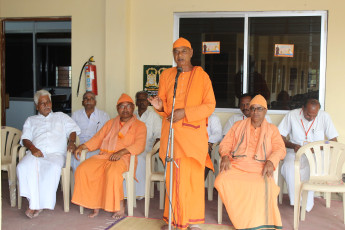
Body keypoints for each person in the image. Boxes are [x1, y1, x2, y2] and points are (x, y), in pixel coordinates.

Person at [149, 37, 216, 230]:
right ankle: (174, 221)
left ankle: (192, 222)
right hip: (172, 136)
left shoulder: (202, 76)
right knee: (174, 181)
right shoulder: (167, 75)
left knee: (192, 182)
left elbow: (210, 106)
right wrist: (159, 106)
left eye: (183, 51)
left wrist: (185, 112)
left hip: (193, 138)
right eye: (176, 52)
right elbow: (164, 107)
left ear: (191, 52)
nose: (180, 55)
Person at [214, 94, 286, 230]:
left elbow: (280, 149)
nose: (255, 112)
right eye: (253, 109)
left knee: (266, 187)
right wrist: (224, 156)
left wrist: (271, 161)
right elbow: (225, 144)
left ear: (265, 111)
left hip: (261, 168)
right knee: (221, 180)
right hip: (237, 166)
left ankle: (257, 223)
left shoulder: (272, 129)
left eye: (259, 109)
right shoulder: (238, 125)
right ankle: (240, 219)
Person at [72, 93, 147, 219]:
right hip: (105, 156)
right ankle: (94, 204)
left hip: (124, 158)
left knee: (112, 173)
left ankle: (119, 205)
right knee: (83, 169)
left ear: (133, 108)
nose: (125, 109)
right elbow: (98, 139)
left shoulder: (140, 125)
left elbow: (139, 145)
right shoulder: (110, 123)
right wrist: (82, 146)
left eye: (128, 106)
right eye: (122, 106)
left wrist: (121, 152)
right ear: (117, 109)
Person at [17, 89, 80, 219]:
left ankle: (38, 205)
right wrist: (33, 148)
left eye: (48, 102)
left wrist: (72, 142)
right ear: (36, 106)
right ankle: (33, 202)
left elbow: (73, 129)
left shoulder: (61, 116)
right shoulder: (31, 120)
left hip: (56, 154)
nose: (46, 105)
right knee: (22, 167)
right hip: (36, 153)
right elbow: (25, 138)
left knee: (52, 168)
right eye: (42, 103)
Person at [278, 98, 338, 212]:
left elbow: (333, 141)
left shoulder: (324, 116)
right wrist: (292, 145)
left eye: (314, 116)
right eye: (308, 115)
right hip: (295, 151)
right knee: (289, 168)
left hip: (316, 154)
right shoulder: (292, 115)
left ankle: (306, 204)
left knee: (312, 171)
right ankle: (296, 202)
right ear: (303, 109)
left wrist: (318, 147)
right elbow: (279, 137)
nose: (311, 118)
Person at [123, 91, 161, 199]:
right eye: (139, 99)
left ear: (148, 101)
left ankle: (139, 193)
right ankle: (125, 193)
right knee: (124, 158)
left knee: (138, 159)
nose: (142, 102)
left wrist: (154, 149)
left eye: (144, 99)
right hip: (130, 147)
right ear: (136, 102)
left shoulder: (154, 116)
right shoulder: (131, 115)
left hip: (146, 148)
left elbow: (159, 134)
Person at [71, 91, 110, 171]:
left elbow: (107, 134)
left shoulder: (103, 115)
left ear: (95, 102)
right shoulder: (76, 115)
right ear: (82, 102)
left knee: (96, 163)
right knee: (75, 159)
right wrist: (73, 144)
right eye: (86, 99)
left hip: (97, 147)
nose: (88, 100)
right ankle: (79, 183)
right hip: (79, 145)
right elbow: (71, 131)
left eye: (91, 98)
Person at [205, 112, 222, 178]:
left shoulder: (212, 118)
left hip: (205, 147)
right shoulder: (193, 116)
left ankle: (199, 184)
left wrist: (205, 140)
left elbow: (218, 136)